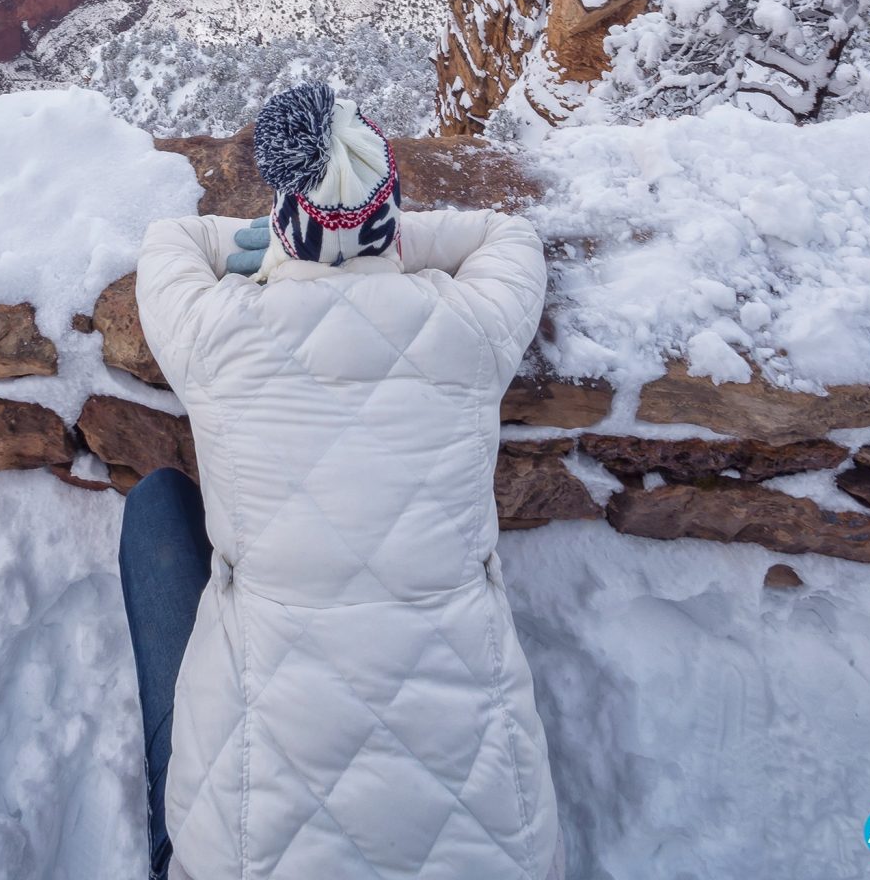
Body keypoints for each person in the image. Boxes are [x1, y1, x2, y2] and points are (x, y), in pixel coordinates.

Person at [120, 82, 563, 880]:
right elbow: (507, 234)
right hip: (504, 856)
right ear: (391, 217)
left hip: (240, 857)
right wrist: (382, 242)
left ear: (285, 218)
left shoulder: (214, 332)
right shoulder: (468, 329)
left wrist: (281, 249)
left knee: (158, 503)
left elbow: (170, 239)